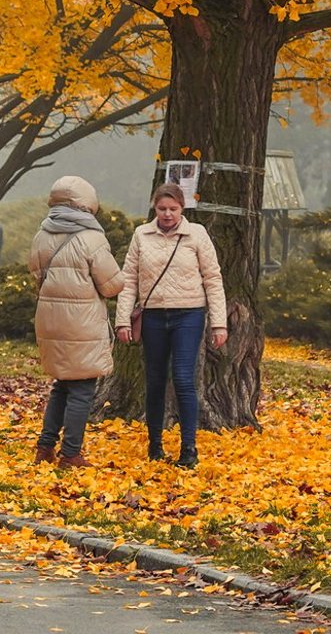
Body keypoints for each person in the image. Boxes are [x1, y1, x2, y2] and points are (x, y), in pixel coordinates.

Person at [116, 183, 228, 469]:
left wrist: (218, 324)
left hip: (188, 314)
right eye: (162, 209)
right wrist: (122, 320)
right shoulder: (142, 235)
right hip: (153, 315)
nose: (167, 214)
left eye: (173, 209)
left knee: (182, 378)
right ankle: (155, 444)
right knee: (154, 380)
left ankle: (188, 448)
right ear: (155, 208)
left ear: (182, 208)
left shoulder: (197, 234)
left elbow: (213, 279)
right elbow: (128, 279)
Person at [28, 177, 123, 468]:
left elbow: (35, 273)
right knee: (82, 390)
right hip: (80, 322)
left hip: (50, 319)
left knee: (62, 385)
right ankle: (70, 453)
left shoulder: (42, 234)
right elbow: (111, 285)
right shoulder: (92, 238)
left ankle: (45, 447)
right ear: (87, 204)